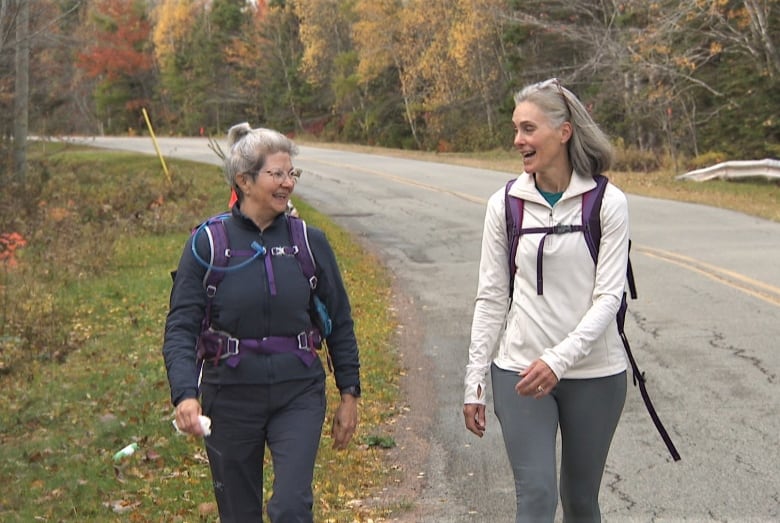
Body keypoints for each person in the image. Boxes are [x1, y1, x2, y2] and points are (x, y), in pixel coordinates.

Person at [163, 123, 361, 522]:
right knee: (239, 514)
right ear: (245, 180)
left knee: (290, 507)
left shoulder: (309, 241)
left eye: (292, 174)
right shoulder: (208, 243)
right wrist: (185, 393)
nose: (288, 183)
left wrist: (349, 393)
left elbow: (338, 320)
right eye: (277, 174)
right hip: (229, 397)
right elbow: (181, 325)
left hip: (297, 392)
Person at [463, 78, 629, 522]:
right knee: (536, 497)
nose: (518, 140)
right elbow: (492, 297)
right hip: (519, 370)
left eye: (528, 128)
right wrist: (474, 380)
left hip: (595, 373)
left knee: (579, 501)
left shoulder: (607, 203)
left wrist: (559, 359)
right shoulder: (506, 204)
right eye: (516, 129)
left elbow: (610, 296)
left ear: (564, 131)